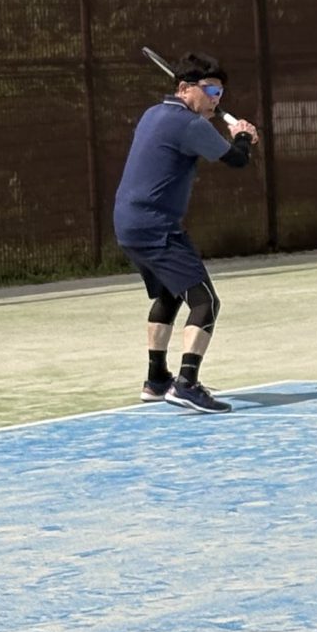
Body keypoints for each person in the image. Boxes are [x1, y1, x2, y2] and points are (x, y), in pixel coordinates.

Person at [114, 53, 260, 413]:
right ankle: (187, 384)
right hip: (156, 227)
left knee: (170, 294)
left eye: (219, 93)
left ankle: (156, 380)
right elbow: (237, 160)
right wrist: (243, 137)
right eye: (209, 90)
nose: (215, 98)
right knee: (205, 301)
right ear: (184, 88)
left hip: (128, 224)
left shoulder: (153, 114)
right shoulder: (190, 125)